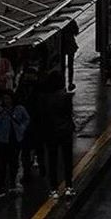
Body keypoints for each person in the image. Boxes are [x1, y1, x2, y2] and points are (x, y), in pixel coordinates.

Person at [42, 71, 75, 199]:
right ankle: (69, 186)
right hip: (65, 130)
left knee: (52, 160)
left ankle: (53, 189)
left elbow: (44, 116)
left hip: (51, 132)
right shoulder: (66, 97)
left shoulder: (45, 98)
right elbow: (69, 113)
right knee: (67, 159)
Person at [0, 92, 30, 197]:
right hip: (1, 140)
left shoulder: (19, 108)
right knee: (1, 164)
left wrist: (22, 128)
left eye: (8, 98)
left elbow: (26, 119)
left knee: (14, 163)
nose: (7, 101)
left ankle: (12, 183)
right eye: (5, 99)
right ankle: (1, 186)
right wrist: (0, 113)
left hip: (14, 139)